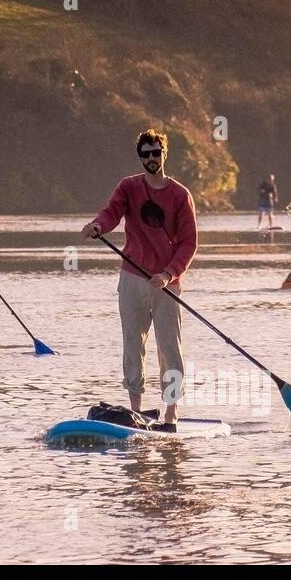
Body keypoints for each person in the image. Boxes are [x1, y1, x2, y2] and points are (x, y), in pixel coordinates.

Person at [81, 129, 197, 428]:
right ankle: (135, 410)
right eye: (144, 154)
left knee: (169, 347)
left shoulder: (179, 194)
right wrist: (98, 226)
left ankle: (171, 411)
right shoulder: (128, 187)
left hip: (166, 282)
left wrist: (169, 273)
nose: (150, 159)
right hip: (132, 276)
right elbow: (111, 213)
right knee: (133, 344)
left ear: (164, 154)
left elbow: (188, 243)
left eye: (155, 153)